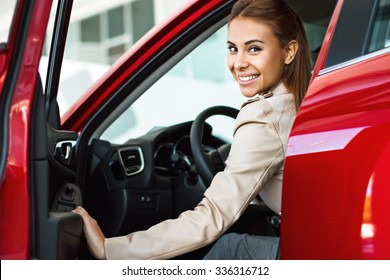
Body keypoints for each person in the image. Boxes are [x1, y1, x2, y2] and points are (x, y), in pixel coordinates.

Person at [73, 0, 312, 260]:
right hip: (327, 240)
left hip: (316, 253)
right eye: (232, 49)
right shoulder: (304, 100)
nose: (238, 63)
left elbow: (213, 217)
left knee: (229, 250)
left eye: (254, 49)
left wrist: (111, 250)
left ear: (289, 52)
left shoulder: (265, 116)